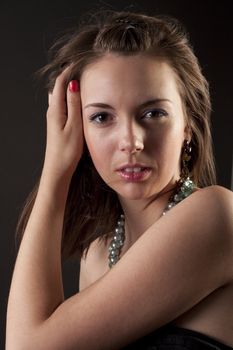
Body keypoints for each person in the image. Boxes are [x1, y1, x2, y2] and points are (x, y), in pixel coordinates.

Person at [6, 10, 233, 350]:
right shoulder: (97, 256)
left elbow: (27, 345)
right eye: (101, 117)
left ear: (187, 124)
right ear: (78, 129)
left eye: (153, 113)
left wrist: (55, 172)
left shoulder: (217, 215)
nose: (131, 141)